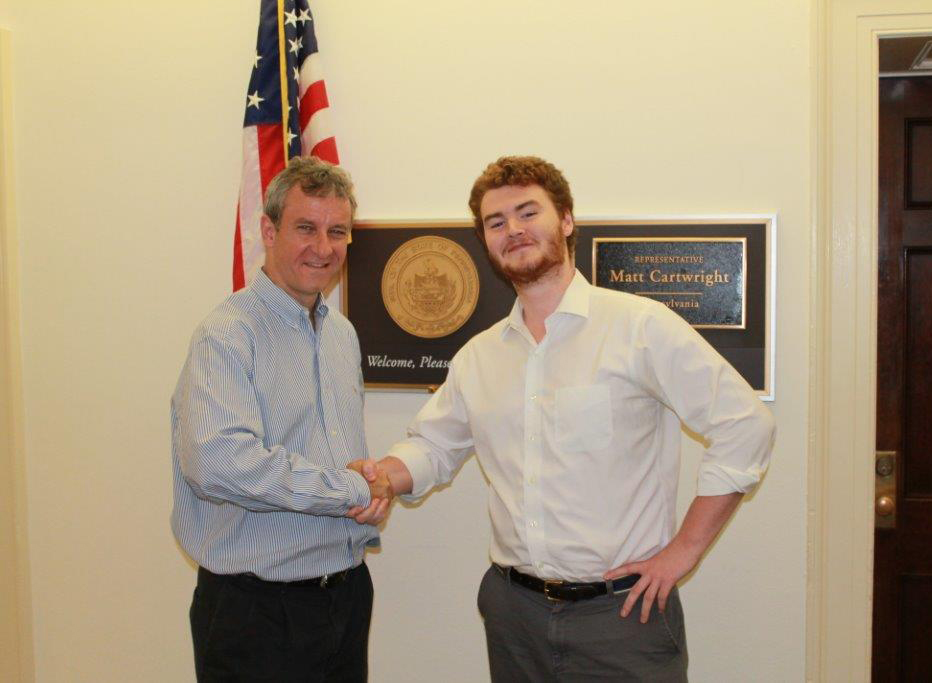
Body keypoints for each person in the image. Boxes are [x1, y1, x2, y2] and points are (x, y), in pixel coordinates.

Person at [351, 155, 775, 681]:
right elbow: (433, 446)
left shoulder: (638, 327)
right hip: (514, 614)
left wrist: (683, 552)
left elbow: (745, 423)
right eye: (496, 222)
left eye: (528, 212)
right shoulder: (480, 357)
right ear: (485, 241)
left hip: (623, 617)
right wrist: (385, 477)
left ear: (567, 219)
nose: (514, 230)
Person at [171, 156, 392, 682]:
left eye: (337, 231)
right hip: (256, 612)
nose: (323, 247)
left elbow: (335, 451)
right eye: (305, 228)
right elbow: (219, 463)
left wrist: (371, 493)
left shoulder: (342, 334)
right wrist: (348, 490)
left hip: (344, 594)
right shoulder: (226, 336)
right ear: (268, 230)